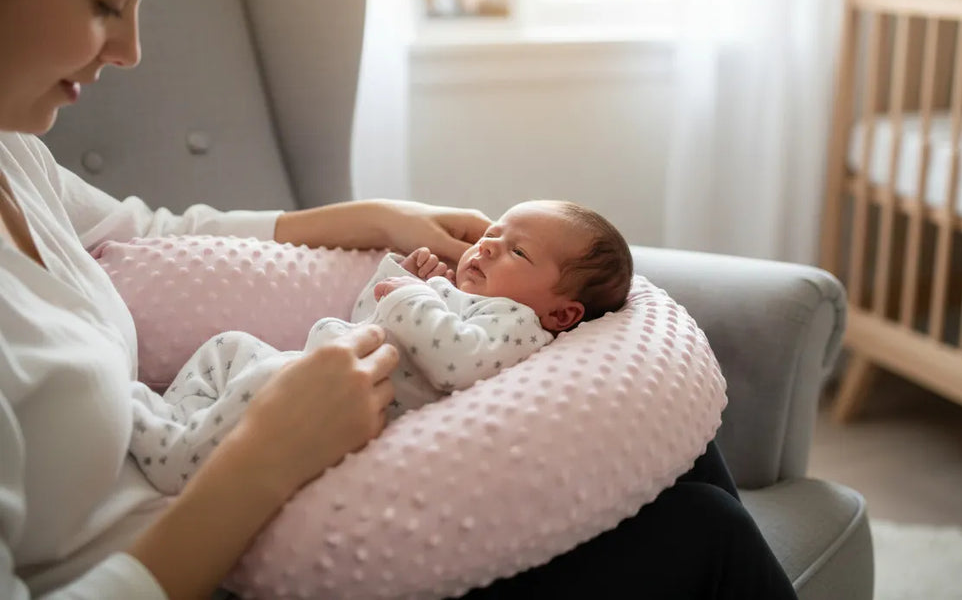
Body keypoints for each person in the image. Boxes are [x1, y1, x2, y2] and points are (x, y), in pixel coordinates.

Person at [0, 0, 798, 599]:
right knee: (710, 530)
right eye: (106, 3)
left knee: (684, 463)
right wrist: (264, 455)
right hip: (223, 550)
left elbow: (155, 231)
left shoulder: (19, 158)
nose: (131, 50)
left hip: (242, 475)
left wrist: (377, 216)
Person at [129, 200, 633, 494]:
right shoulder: (455, 294)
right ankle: (180, 419)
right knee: (229, 347)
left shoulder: (518, 325)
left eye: (517, 251)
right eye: (494, 234)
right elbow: (367, 321)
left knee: (261, 381)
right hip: (317, 364)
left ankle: (176, 457)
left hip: (337, 401)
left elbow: (457, 363)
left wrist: (413, 295)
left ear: (562, 314)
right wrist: (400, 279)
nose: (487, 246)